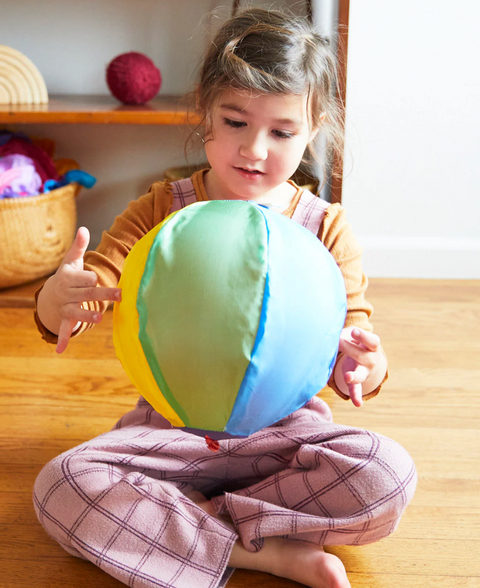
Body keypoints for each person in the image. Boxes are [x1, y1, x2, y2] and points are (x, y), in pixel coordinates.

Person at [33, 8, 417, 588]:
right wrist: (57, 298)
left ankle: (188, 523)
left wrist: (365, 362)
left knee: (387, 475)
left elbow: (355, 353)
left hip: (285, 438)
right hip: (169, 437)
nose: (254, 149)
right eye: (235, 121)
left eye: (282, 132)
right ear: (205, 113)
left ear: (314, 130)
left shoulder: (326, 228)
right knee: (61, 484)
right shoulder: (159, 211)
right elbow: (84, 304)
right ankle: (258, 548)